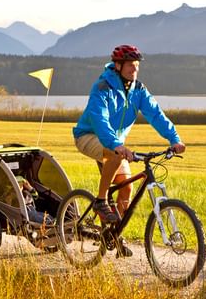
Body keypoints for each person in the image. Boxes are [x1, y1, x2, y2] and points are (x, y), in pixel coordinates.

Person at [73, 44, 185, 224]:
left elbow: (156, 114)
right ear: (118, 65)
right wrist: (115, 144)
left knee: (126, 189)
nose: (135, 69)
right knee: (114, 154)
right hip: (88, 136)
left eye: (137, 65)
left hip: (114, 143)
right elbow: (99, 119)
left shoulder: (138, 90)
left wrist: (174, 138)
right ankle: (101, 201)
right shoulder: (102, 87)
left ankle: (113, 235)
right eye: (131, 65)